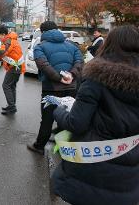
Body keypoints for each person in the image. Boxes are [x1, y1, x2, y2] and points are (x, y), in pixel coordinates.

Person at [51, 25, 139, 205]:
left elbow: (77, 123)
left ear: (108, 44)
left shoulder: (97, 75)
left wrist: (58, 110)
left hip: (92, 165)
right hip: (128, 165)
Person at [27, 21, 83, 155]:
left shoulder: (40, 47)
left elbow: (43, 65)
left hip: (51, 89)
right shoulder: (72, 45)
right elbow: (80, 62)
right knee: (66, 116)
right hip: (71, 88)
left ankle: (39, 146)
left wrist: (58, 78)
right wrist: (71, 74)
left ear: (43, 32)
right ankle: (63, 146)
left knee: (47, 119)